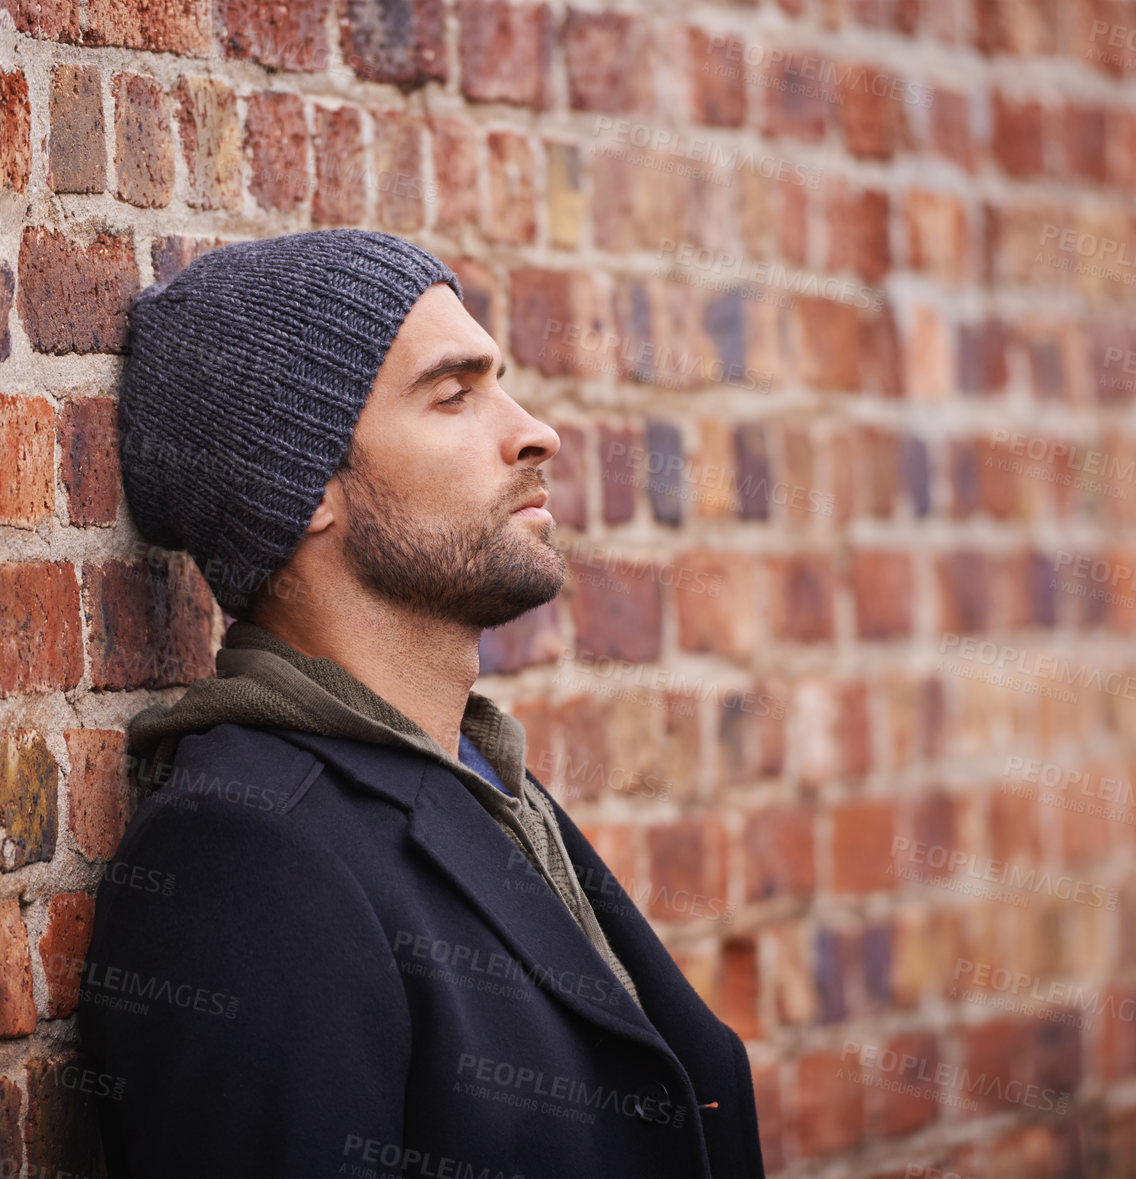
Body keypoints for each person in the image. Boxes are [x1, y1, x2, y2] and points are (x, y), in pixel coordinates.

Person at [77, 228, 766, 1178]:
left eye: (500, 383)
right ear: (305, 483)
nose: (534, 430)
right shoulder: (246, 858)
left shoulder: (479, 781)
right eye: (453, 395)